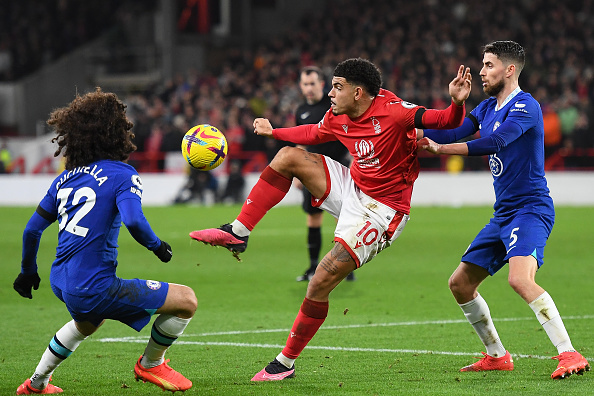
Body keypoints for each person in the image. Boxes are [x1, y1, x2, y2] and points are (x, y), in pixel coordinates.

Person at [190, 58, 472, 380]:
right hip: (353, 187)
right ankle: (239, 231)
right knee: (287, 156)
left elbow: (445, 121)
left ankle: (284, 363)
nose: (329, 93)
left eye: (337, 87)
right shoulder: (339, 115)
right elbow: (313, 132)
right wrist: (275, 132)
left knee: (320, 280)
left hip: (383, 211)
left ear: (358, 92)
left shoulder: (394, 111)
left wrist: (456, 102)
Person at [417, 41, 590, 379]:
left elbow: (496, 141)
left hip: (531, 209)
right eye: (482, 64)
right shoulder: (485, 108)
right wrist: (412, 132)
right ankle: (497, 355)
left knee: (519, 279)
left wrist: (443, 149)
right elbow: (454, 128)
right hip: (503, 214)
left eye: (489, 65)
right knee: (460, 284)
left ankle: (569, 353)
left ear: (509, 70)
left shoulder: (527, 106)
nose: (482, 71)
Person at [13, 88, 197, 394]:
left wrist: (27, 272)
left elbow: (32, 231)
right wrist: (157, 246)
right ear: (116, 134)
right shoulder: (122, 174)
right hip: (93, 285)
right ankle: (151, 364)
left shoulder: (64, 179)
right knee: (187, 301)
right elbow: (135, 220)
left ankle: (36, 383)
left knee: (88, 322)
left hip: (61, 280)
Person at [294, 66, 352, 282]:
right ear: (301, 86)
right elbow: (300, 142)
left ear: (321, 85)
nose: (309, 88)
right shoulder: (300, 111)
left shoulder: (334, 106)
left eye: (313, 83)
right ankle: (311, 267)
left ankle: (347, 269)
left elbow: (349, 132)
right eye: (305, 84)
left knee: (343, 219)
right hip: (312, 171)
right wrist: (298, 173)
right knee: (313, 218)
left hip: (338, 170)